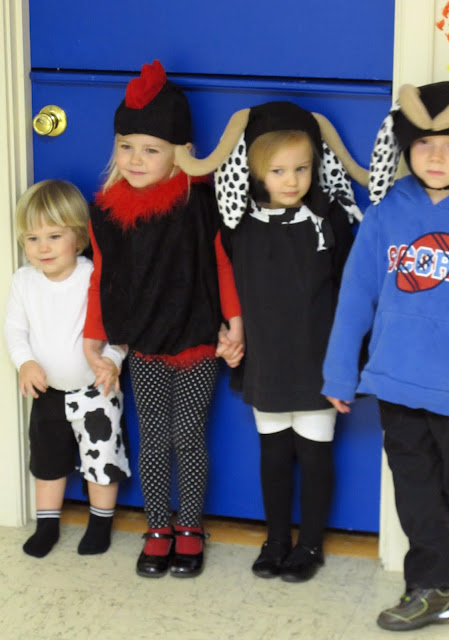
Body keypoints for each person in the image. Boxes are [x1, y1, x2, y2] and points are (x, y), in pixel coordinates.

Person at [322, 81, 449, 630]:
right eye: (424, 143)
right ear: (405, 147)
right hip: (395, 378)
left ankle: (443, 584)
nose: (435, 156)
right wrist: (340, 371)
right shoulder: (387, 212)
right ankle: (432, 587)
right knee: (415, 486)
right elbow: (355, 296)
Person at [176, 100, 367, 582]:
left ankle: (311, 545)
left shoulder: (330, 220)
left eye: (302, 168)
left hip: (319, 362)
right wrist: (227, 331)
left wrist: (348, 365)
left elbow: (354, 293)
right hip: (266, 359)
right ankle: (276, 539)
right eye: (278, 170)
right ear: (256, 170)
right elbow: (225, 285)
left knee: (315, 454)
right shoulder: (239, 224)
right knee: (274, 453)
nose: (292, 180)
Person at [83, 60, 242, 579]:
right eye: (126, 146)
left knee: (189, 435)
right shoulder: (107, 212)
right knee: (152, 437)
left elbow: (222, 264)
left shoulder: (199, 203)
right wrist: (94, 338)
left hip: (197, 340)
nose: (136, 159)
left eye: (151, 149)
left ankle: (190, 525)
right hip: (145, 345)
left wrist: (235, 322)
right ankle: (157, 527)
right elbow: (101, 278)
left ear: (180, 152)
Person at [4, 179, 130, 559]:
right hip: (48, 392)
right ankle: (47, 526)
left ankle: (100, 524)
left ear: (78, 238)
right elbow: (15, 330)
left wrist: (113, 361)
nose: (42, 248)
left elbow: (120, 329)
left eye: (54, 236)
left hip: (96, 390)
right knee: (47, 462)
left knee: (102, 460)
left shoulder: (93, 276)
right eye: (32, 238)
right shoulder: (24, 281)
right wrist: (25, 362)